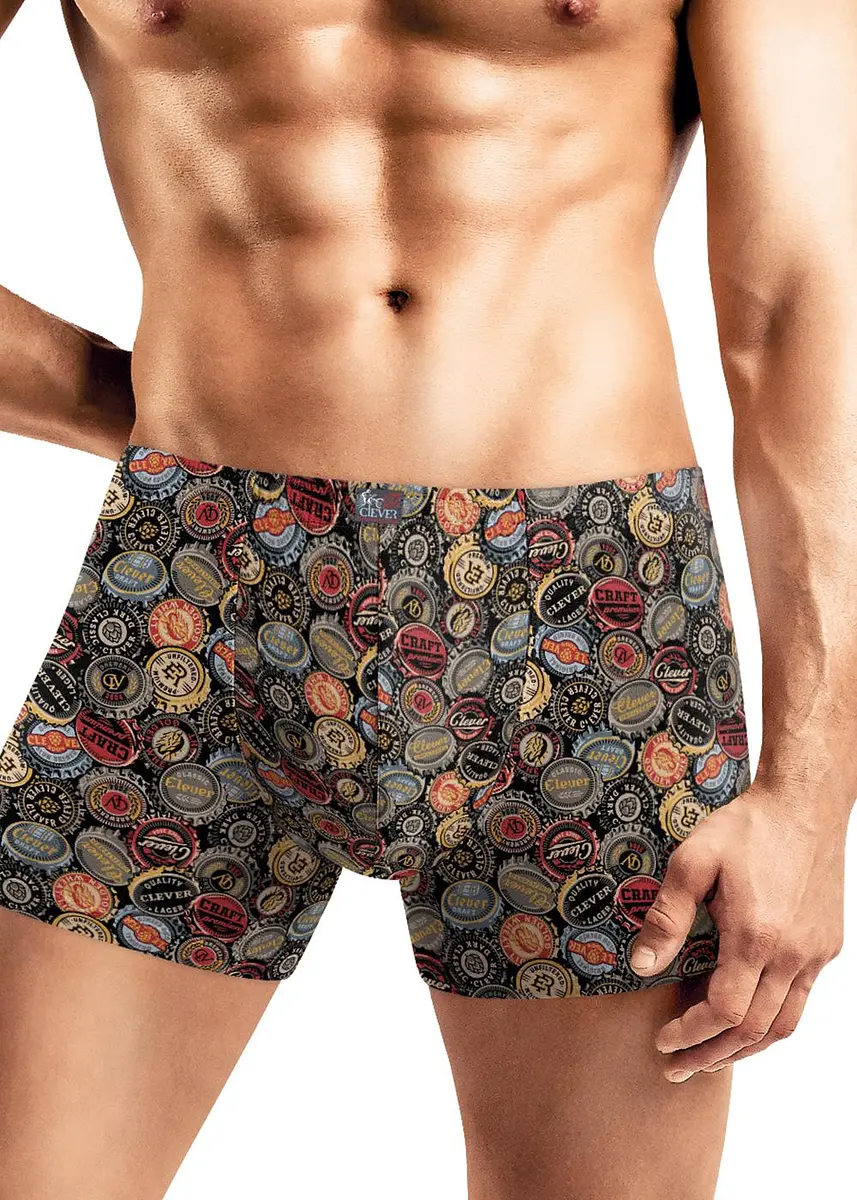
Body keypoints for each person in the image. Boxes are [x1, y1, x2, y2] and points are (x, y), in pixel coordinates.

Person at [0, 0, 854, 1196]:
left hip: (591, 621)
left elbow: (800, 297)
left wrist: (810, 803)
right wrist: (135, 411)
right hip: (197, 587)